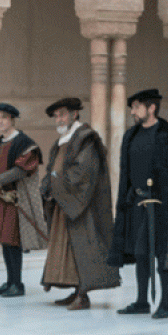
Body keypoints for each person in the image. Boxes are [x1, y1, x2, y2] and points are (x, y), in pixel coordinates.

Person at [107, 88, 168, 319]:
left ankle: (165, 303)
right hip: (136, 202)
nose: (132, 112)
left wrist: (166, 191)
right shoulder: (130, 135)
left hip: (160, 204)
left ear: (151, 107)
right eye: (132, 108)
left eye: (136, 107)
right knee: (141, 252)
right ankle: (142, 301)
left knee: (163, 252)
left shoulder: (167, 135)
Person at [38, 97, 118, 309]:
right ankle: (75, 291)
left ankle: (83, 295)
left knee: (82, 249)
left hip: (80, 206)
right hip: (64, 203)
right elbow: (52, 169)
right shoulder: (61, 141)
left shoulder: (86, 139)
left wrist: (57, 183)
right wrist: (47, 183)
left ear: (75, 114)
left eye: (62, 114)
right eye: (56, 116)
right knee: (68, 249)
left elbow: (82, 172)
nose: (59, 119)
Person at [0, 102, 45, 297]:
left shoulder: (24, 143)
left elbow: (20, 170)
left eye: (4, 118)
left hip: (16, 200)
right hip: (0, 200)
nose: (0, 121)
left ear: (12, 120)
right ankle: (10, 282)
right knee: (4, 241)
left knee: (13, 241)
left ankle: (18, 284)